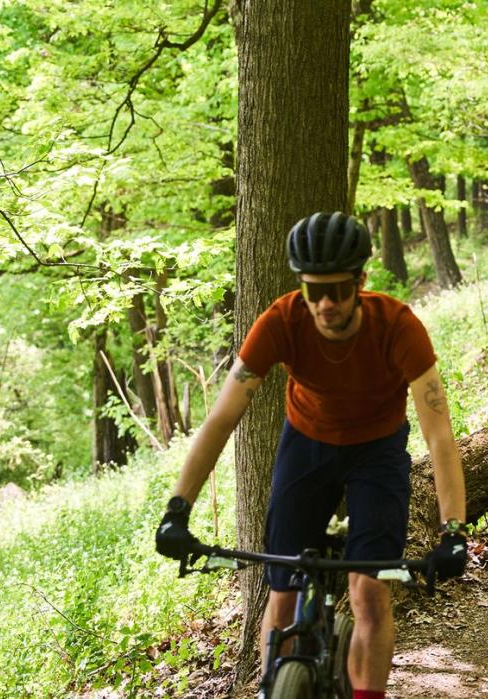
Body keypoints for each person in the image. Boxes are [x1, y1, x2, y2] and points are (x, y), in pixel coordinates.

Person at [154, 212, 467, 699]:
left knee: (368, 591)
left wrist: (454, 531)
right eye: (312, 290)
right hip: (307, 445)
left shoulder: (398, 326)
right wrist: (178, 509)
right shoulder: (281, 320)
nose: (324, 304)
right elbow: (221, 418)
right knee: (281, 595)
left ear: (361, 282)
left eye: (337, 291)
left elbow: (440, 435)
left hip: (376, 451)